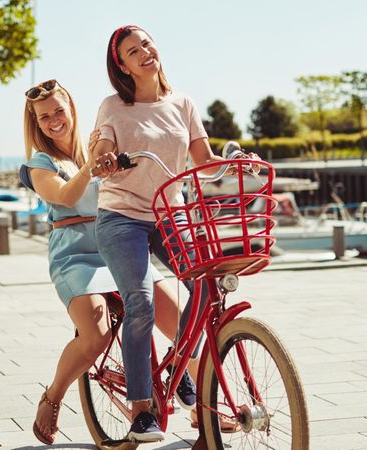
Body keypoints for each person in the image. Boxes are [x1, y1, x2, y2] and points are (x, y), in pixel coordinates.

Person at [91, 25, 257, 440]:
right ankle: (142, 410)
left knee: (206, 283)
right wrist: (106, 159)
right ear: (122, 66)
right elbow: (100, 151)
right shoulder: (113, 105)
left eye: (146, 43)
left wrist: (236, 162)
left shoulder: (183, 102)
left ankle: (181, 360)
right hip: (122, 216)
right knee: (141, 303)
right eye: (133, 51)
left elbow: (205, 159)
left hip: (171, 212)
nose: (145, 52)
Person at [20, 79, 187, 445]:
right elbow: (64, 195)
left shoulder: (101, 142)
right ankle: (54, 395)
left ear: (72, 109)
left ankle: (190, 389)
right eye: (44, 117)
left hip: (121, 242)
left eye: (59, 111)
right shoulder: (40, 164)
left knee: (179, 320)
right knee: (95, 333)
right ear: (35, 123)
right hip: (77, 255)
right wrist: (91, 168)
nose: (54, 120)